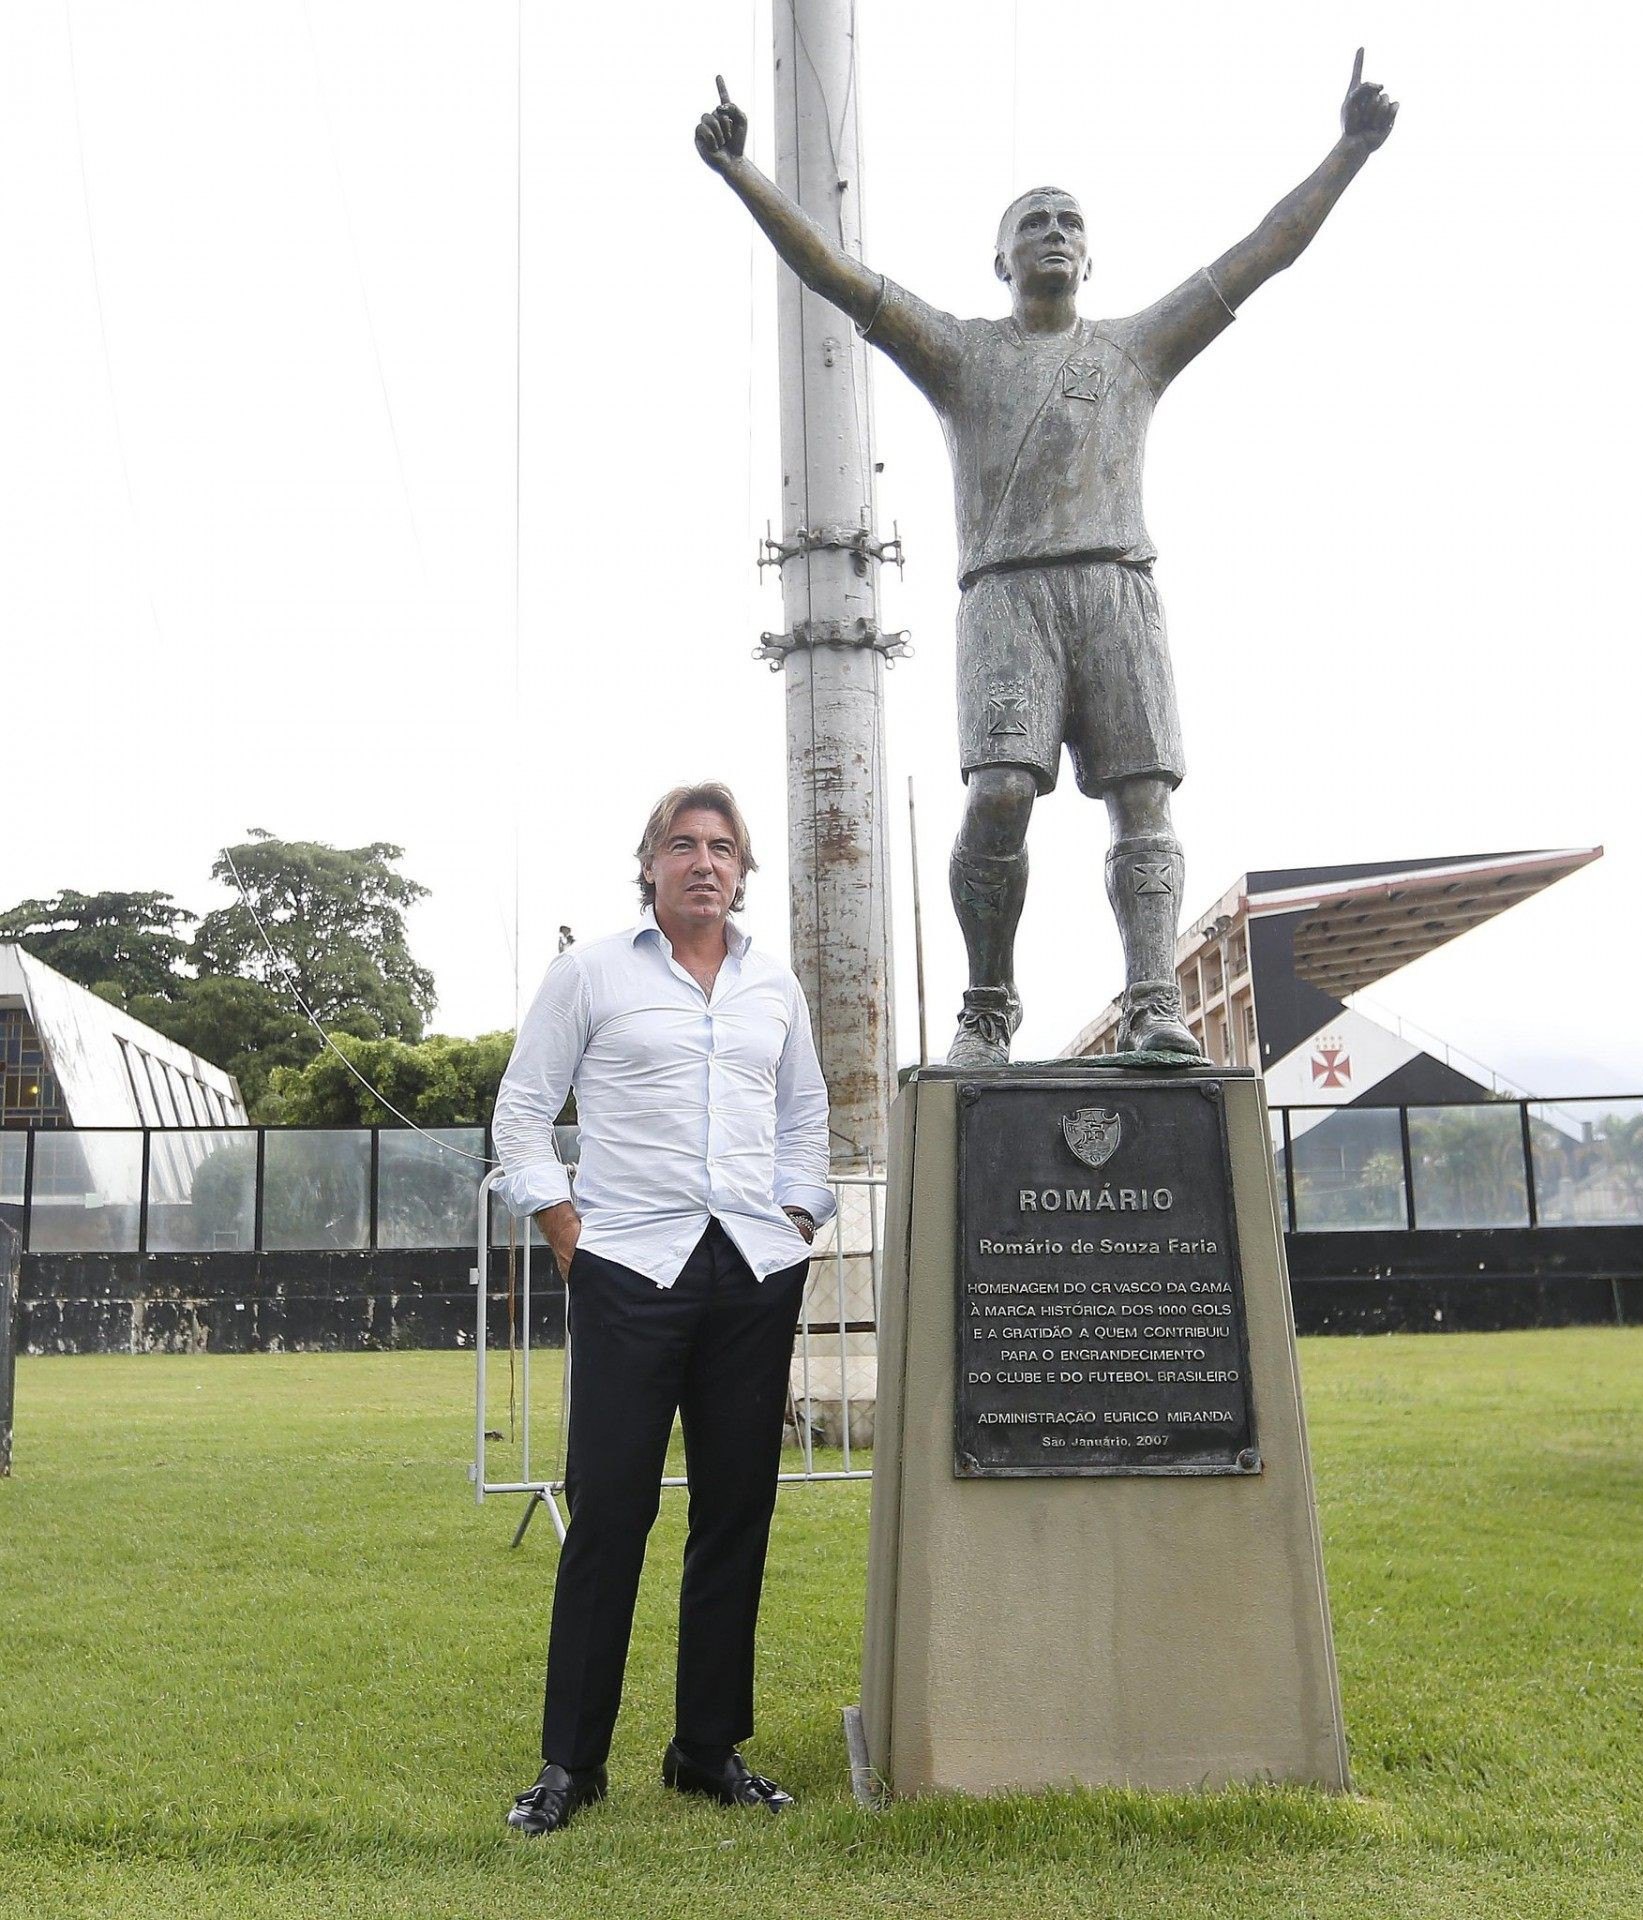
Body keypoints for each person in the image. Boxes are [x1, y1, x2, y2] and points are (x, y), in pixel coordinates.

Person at [696, 55, 1397, 1064]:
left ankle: (1155, 1001)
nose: (1056, 236)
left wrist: (1349, 151)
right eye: (1036, 224)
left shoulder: (1134, 349)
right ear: (1000, 260)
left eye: (1071, 223)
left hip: (1116, 587)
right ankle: (988, 1003)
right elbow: (833, 275)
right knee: (1000, 795)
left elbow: (1265, 250)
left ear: (1092, 259)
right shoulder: (962, 352)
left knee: (1142, 801)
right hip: (1007, 599)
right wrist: (743, 174)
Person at [492, 783, 834, 1831]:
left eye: (722, 847)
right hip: (628, 1270)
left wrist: (797, 1218)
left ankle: (705, 1750)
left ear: (743, 871)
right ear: (648, 865)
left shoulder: (774, 988)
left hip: (749, 1274)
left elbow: (806, 1117)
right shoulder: (590, 972)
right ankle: (571, 1766)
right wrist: (564, 1230)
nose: (702, 862)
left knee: (735, 1512)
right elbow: (520, 1115)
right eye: (681, 845)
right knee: (613, 1514)